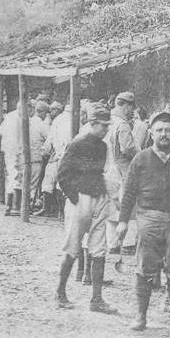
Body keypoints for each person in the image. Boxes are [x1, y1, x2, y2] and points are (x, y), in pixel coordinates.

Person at [116, 111, 170, 331]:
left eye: (168, 130)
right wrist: (123, 220)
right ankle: (140, 317)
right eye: (159, 130)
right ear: (151, 133)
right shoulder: (141, 159)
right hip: (149, 218)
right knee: (145, 268)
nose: (164, 134)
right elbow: (128, 192)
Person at [54, 104, 117, 314]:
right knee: (72, 247)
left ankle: (97, 299)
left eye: (108, 126)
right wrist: (74, 197)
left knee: (98, 249)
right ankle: (60, 293)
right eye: (102, 126)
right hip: (80, 200)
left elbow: (101, 172)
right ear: (92, 123)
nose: (106, 129)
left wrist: (105, 194)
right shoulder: (77, 143)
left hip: (98, 198)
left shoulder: (103, 146)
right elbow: (62, 174)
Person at [105, 91, 138, 254]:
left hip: (107, 168)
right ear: (125, 105)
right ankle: (128, 243)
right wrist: (141, 156)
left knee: (112, 207)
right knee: (129, 204)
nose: (132, 111)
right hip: (122, 169)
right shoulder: (122, 124)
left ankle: (112, 244)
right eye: (131, 107)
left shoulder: (107, 121)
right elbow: (128, 147)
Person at [36, 102, 72, 217]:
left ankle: (49, 209)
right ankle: (60, 212)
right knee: (59, 184)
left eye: (52, 110)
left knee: (49, 182)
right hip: (63, 155)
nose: (50, 112)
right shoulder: (73, 119)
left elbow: (50, 138)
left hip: (58, 154)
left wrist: (45, 150)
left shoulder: (58, 120)